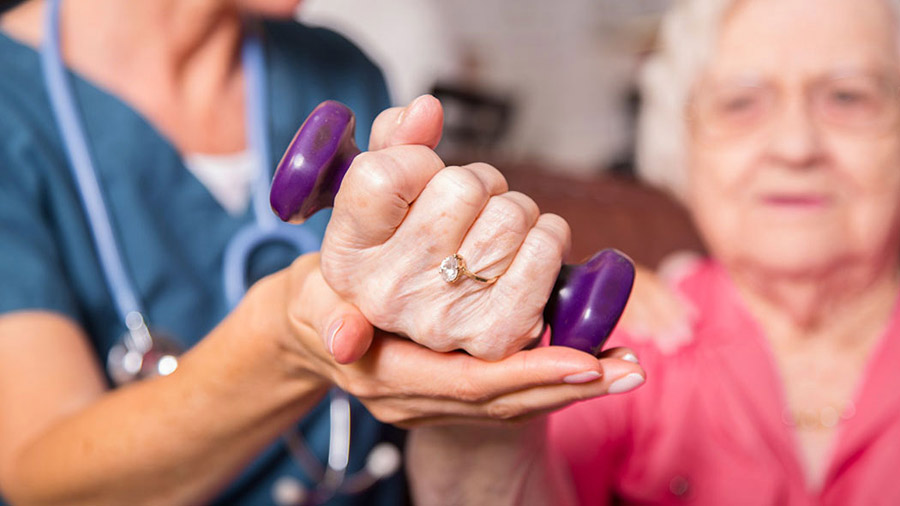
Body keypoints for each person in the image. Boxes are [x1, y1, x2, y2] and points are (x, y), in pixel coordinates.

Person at [0, 1, 646, 504]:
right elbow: (36, 479)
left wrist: (488, 313)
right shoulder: (14, 104)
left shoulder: (336, 66)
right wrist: (285, 341)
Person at [406, 0, 900, 504]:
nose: (796, 147)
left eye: (848, 97)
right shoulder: (630, 334)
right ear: (683, 140)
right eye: (740, 103)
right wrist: (475, 412)